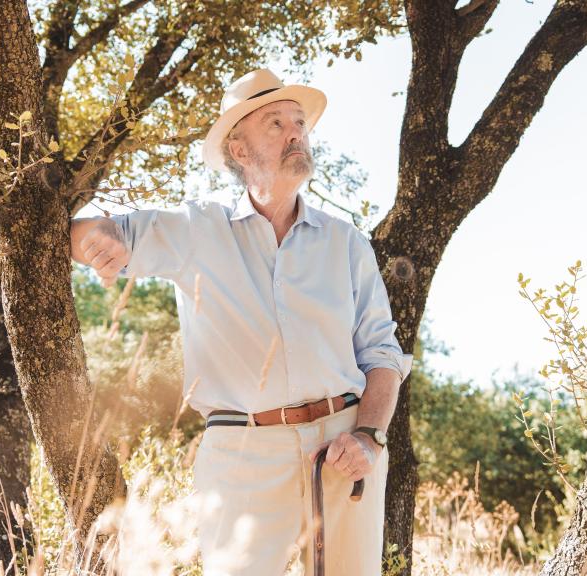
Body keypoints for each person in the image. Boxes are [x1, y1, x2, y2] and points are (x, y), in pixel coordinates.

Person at [69, 68, 412, 575]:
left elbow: (382, 354)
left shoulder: (346, 242)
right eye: (276, 123)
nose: (295, 133)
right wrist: (98, 242)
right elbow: (84, 233)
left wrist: (369, 436)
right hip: (241, 453)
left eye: (299, 123)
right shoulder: (195, 228)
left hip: (344, 448)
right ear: (239, 150)